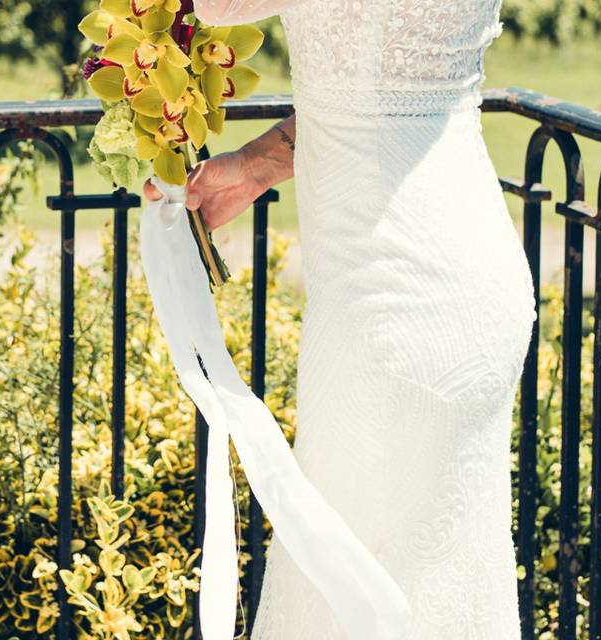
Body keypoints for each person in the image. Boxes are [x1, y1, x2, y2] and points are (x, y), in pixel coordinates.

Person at [145, 1, 536, 637]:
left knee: (349, 594)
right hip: (463, 278)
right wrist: (259, 164)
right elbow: (384, 86)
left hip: (393, 306)